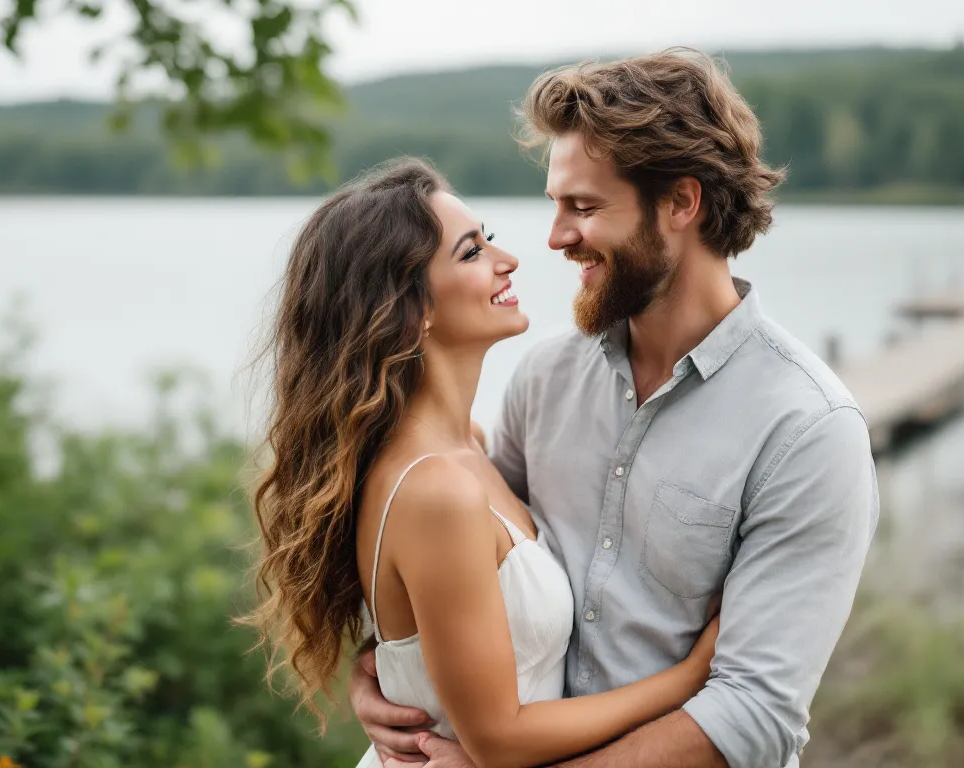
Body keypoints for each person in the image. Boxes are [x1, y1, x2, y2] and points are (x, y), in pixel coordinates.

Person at [349, 49, 879, 768]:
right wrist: (387, 668)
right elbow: (470, 566)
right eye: (555, 205)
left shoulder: (808, 431)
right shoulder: (545, 378)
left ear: (681, 203)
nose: (556, 238)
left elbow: (753, 715)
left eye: (585, 207)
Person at [240, 157, 722, 768]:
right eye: (471, 253)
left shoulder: (465, 445)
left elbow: (432, 627)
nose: (508, 260)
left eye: (487, 239)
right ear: (411, 311)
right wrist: (690, 680)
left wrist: (383, 667)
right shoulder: (436, 489)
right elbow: (499, 738)